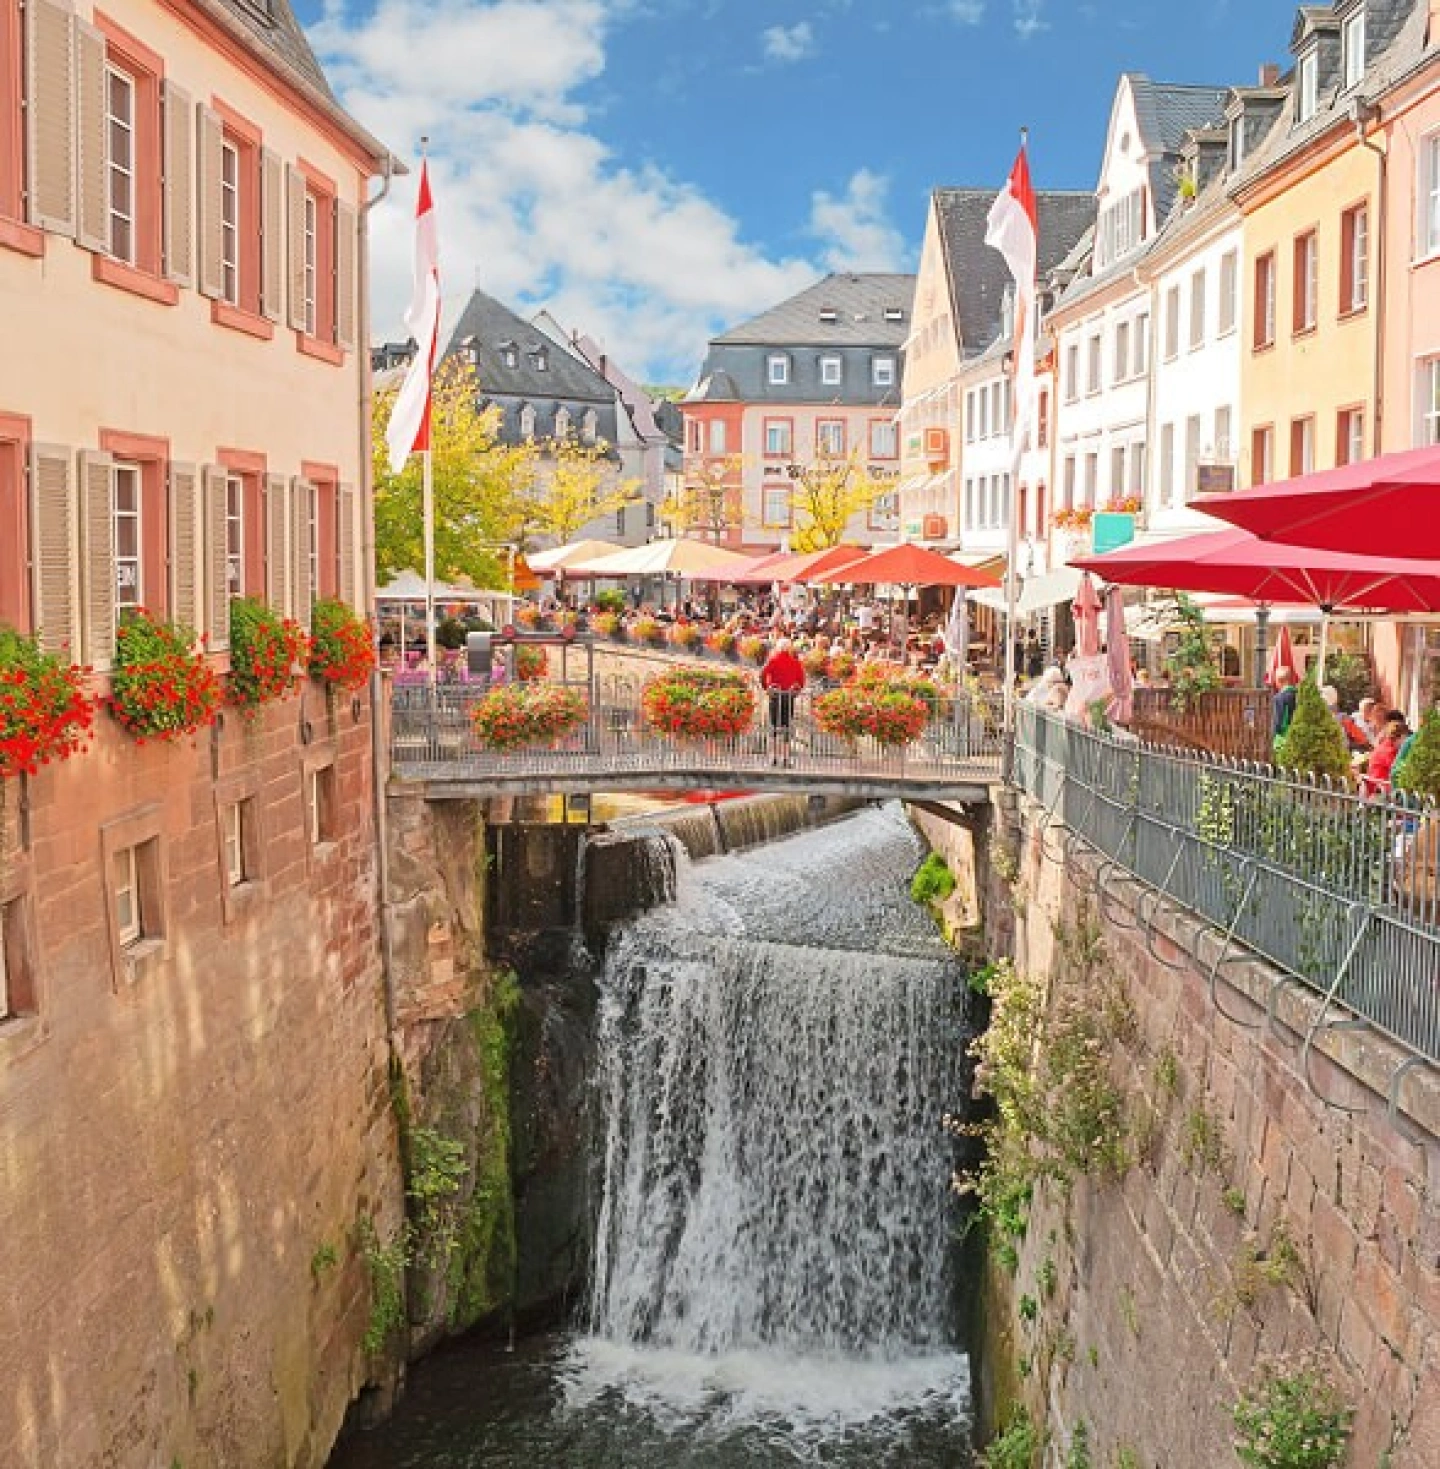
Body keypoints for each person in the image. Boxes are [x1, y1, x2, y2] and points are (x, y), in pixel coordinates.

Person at [759, 636, 806, 765]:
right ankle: (786, 757)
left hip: (775, 695)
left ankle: (773, 757)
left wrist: (766, 687)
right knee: (786, 726)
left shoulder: (773, 660)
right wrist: (796, 691)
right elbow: (801, 680)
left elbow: (762, 674)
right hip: (788, 696)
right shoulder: (795, 662)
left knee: (773, 726)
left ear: (778, 647)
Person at [1362, 711, 1411, 796]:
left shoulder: (1389, 746)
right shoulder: (1387, 750)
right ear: (1399, 737)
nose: (1406, 743)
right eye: (1405, 739)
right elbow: (1399, 770)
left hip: (1384, 788)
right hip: (1380, 791)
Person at [1272, 667, 1297, 739]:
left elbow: (1277, 721)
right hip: (1296, 735)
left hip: (1283, 737)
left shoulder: (1279, 698)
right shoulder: (1298, 694)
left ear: (1278, 680)